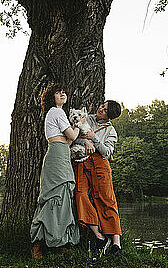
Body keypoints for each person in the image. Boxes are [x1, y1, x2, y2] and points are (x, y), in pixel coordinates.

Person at [30, 83, 89, 259]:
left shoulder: (56, 113)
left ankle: (60, 241)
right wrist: (80, 124)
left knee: (63, 195)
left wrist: (74, 131)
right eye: (58, 92)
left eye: (64, 92)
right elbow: (72, 136)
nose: (62, 94)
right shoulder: (56, 111)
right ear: (51, 97)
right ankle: (38, 244)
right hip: (56, 154)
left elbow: (68, 142)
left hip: (61, 153)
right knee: (54, 196)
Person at [72, 100, 123, 256]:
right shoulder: (86, 118)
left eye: (106, 110)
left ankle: (115, 242)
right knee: (80, 195)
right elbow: (73, 137)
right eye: (102, 105)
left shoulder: (111, 131)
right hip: (82, 161)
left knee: (106, 199)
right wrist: (85, 141)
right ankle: (99, 236)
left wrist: (94, 138)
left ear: (110, 116)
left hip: (100, 164)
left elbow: (107, 152)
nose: (102, 109)